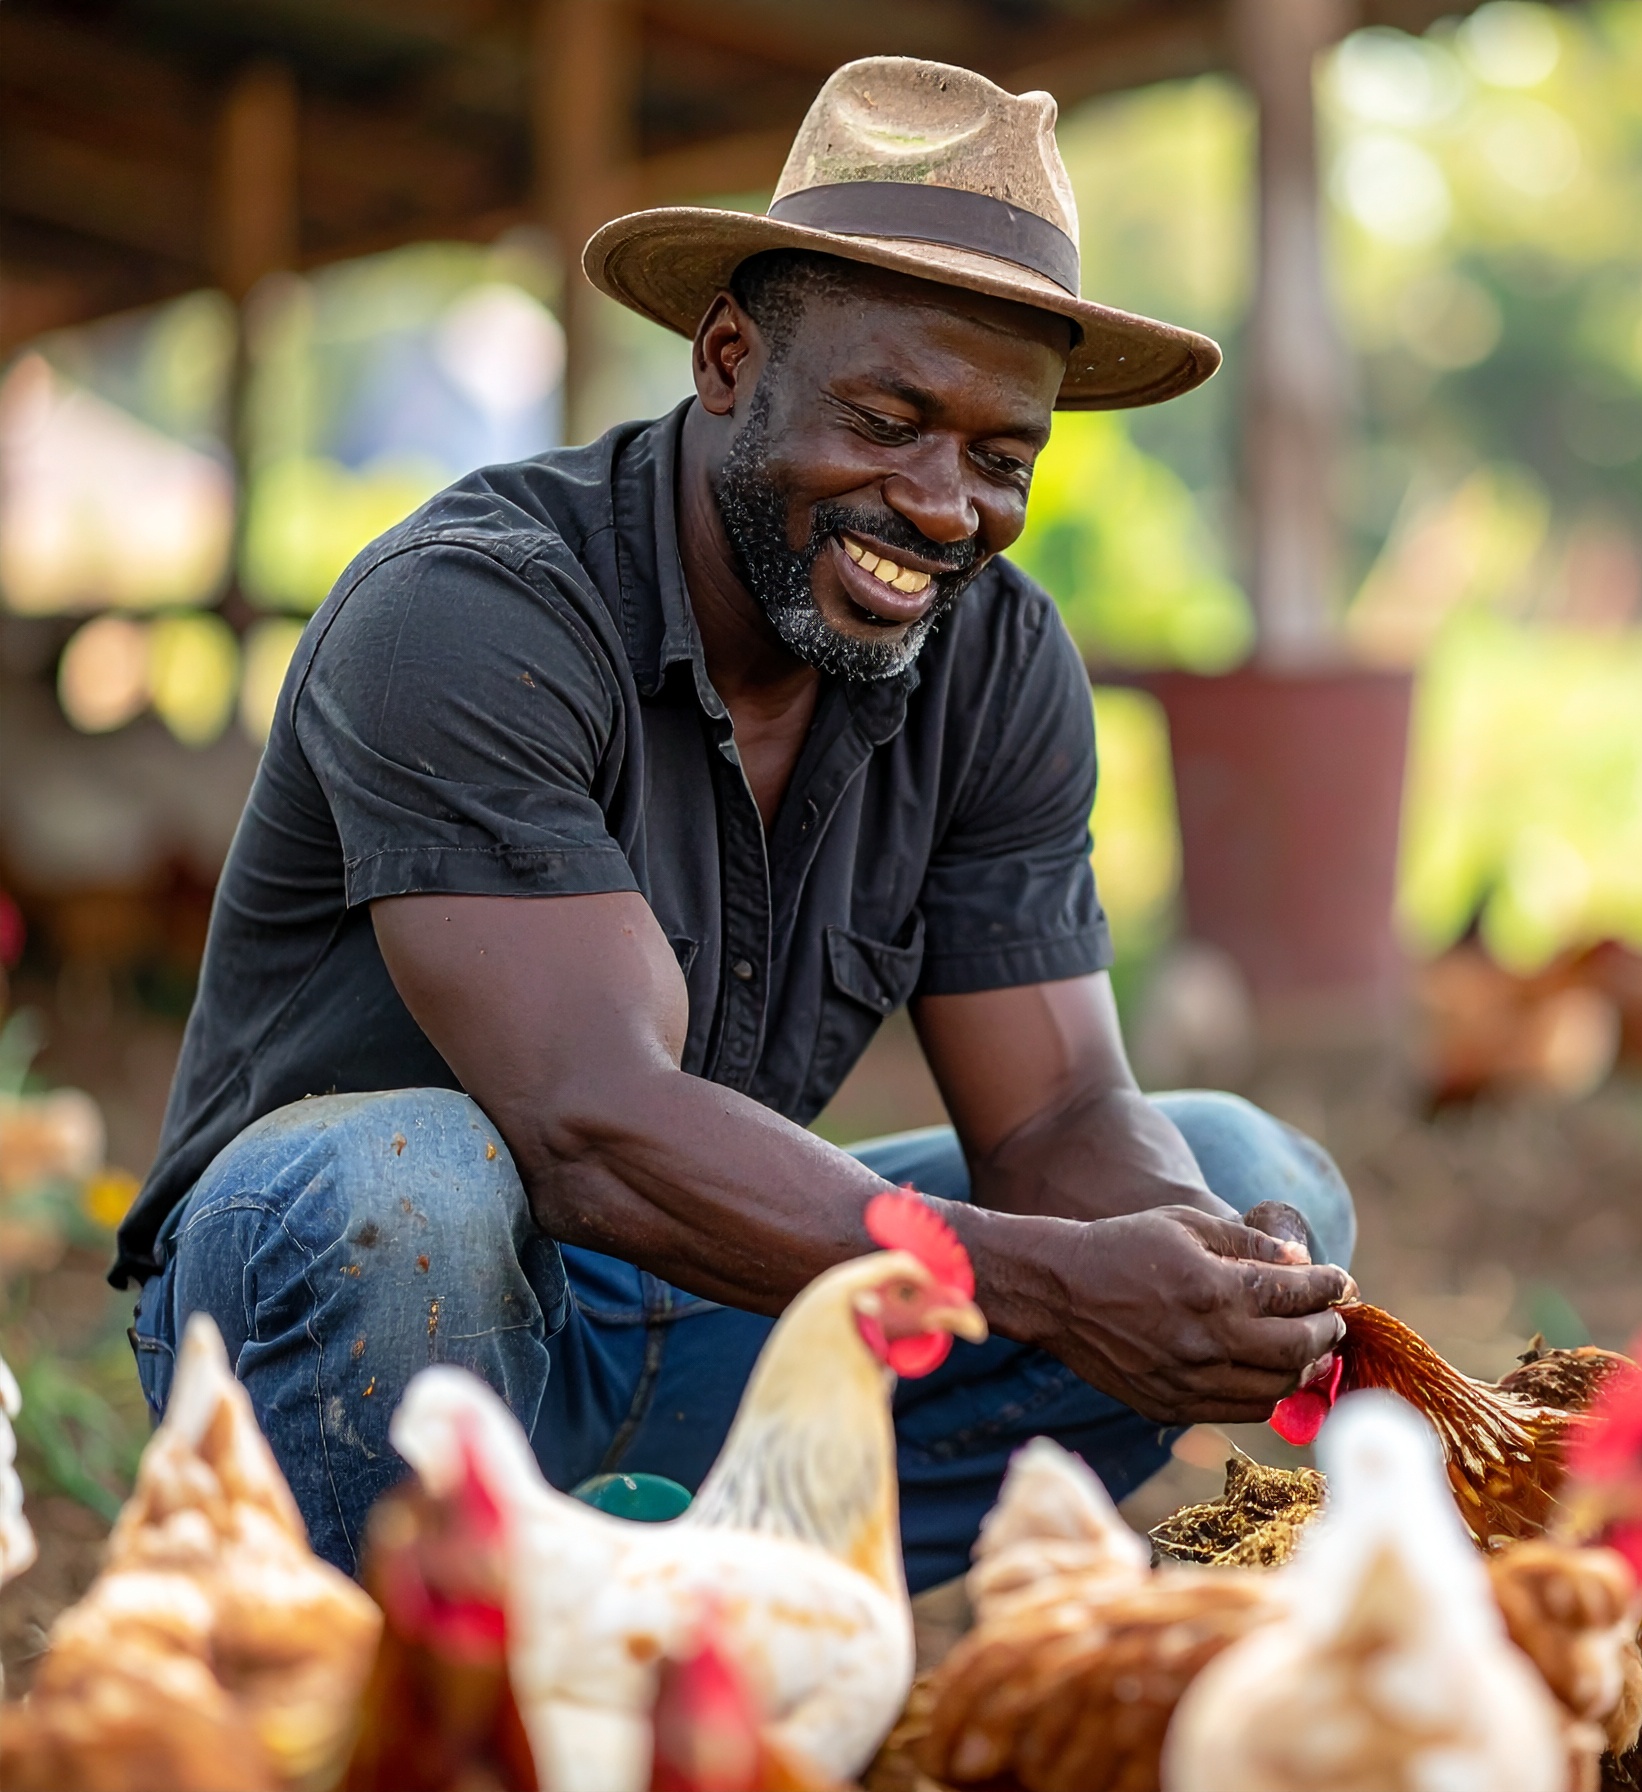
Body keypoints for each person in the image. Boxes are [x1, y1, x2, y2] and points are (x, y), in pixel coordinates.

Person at [113, 57, 1357, 1587]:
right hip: (380, 1322)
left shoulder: (999, 662)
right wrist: (1052, 1284)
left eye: (1000, 457)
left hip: (713, 1313)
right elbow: (590, 1124)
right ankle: (407, 1658)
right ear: (724, 360)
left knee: (1241, 1172)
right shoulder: (471, 611)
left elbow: (1052, 1121)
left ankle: (745, 1620)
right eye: (887, 420)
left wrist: (1191, 1262)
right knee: (408, 1181)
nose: (943, 505)